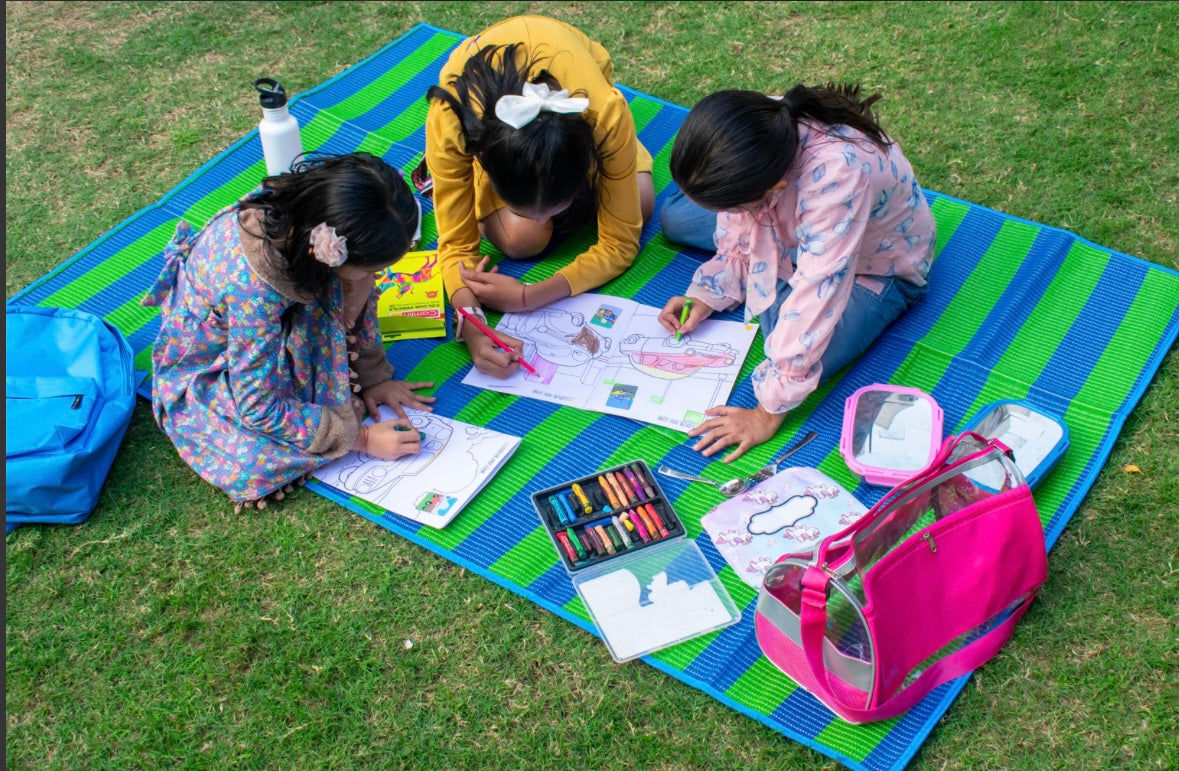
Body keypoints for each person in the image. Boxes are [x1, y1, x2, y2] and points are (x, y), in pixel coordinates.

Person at [141, 152, 437, 510]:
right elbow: (258, 406)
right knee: (251, 460)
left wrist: (373, 376)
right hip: (216, 357)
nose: (374, 281)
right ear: (330, 254)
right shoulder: (255, 290)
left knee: (354, 286)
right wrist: (357, 437)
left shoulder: (308, 210)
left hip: (272, 317)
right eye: (370, 269)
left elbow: (358, 288)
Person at [657, 84, 936, 462]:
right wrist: (709, 290)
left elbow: (821, 287)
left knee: (788, 340)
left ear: (773, 189)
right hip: (797, 227)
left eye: (737, 205)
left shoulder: (838, 175)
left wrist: (765, 413)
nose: (732, 213)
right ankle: (738, 222)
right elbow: (737, 222)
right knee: (675, 219)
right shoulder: (759, 127)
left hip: (877, 268)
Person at [424, 15, 655, 378]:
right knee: (522, 238)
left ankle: (618, 156)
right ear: (483, 160)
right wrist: (472, 325)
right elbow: (455, 247)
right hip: (485, 131)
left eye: (557, 207)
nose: (549, 220)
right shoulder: (450, 119)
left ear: (586, 162)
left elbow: (621, 243)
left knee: (641, 201)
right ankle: (498, 196)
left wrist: (531, 295)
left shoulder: (605, 114)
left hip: (588, 114)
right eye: (533, 209)